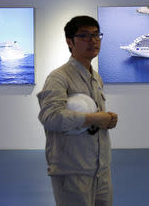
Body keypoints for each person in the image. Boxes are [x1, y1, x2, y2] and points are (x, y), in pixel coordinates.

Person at [37, 15, 118, 206]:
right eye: (84, 36)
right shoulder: (58, 77)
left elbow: (94, 119)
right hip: (72, 169)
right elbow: (51, 117)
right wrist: (93, 118)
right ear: (69, 41)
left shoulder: (95, 77)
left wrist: (107, 120)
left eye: (96, 35)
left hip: (100, 169)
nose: (93, 41)